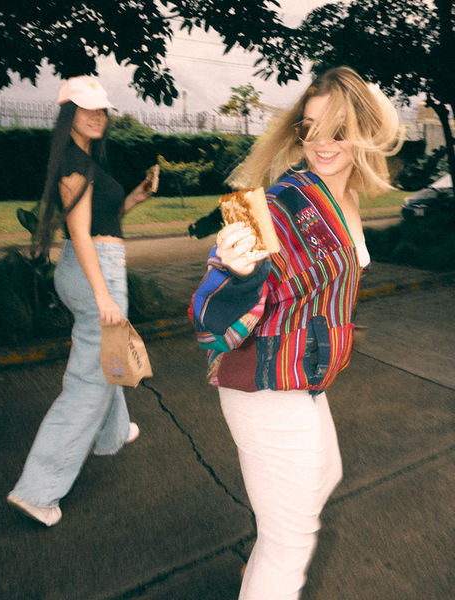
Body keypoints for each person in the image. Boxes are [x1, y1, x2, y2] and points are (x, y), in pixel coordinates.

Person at [189, 66, 403, 599]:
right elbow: (211, 318)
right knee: (291, 540)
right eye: (310, 129)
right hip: (264, 383)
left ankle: (258, 570)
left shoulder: (341, 195)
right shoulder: (285, 205)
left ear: (363, 131)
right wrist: (238, 273)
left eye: (337, 130)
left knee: (325, 475)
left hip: (301, 377)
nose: (322, 143)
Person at [7, 75, 158, 527]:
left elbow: (99, 220)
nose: (97, 116)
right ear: (68, 113)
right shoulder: (74, 164)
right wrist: (103, 295)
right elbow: (80, 233)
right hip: (96, 271)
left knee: (104, 356)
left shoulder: (85, 158)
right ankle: (37, 491)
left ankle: (114, 431)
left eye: (101, 109)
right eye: (86, 108)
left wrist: (135, 197)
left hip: (91, 265)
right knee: (89, 382)